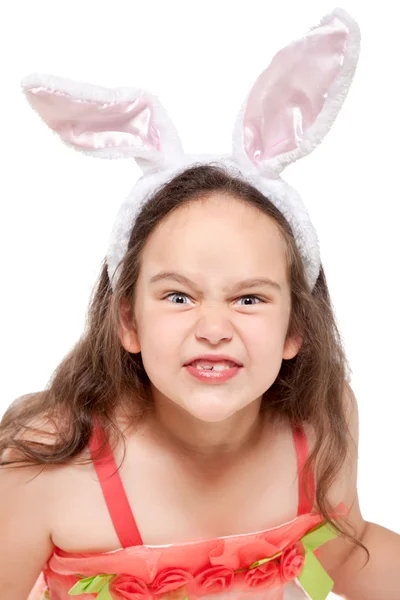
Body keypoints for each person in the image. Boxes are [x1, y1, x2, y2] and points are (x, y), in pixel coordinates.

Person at [1, 7, 399, 600]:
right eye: (179, 296)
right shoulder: (45, 463)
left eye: (249, 298)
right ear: (128, 321)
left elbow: (346, 548)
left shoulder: (319, 421)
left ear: (297, 329)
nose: (214, 328)